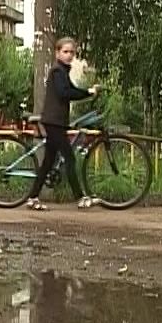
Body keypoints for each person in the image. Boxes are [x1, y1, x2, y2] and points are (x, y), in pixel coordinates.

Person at [27, 37, 100, 211]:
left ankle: (32, 198)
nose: (69, 55)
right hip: (54, 122)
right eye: (65, 51)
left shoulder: (62, 71)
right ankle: (80, 198)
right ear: (57, 53)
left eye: (72, 52)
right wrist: (88, 92)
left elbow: (71, 90)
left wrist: (88, 92)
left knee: (48, 162)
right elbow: (64, 93)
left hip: (55, 122)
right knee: (70, 158)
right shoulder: (57, 71)